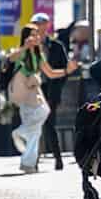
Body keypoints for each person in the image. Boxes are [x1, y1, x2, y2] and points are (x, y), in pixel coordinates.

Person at [7, 24, 79, 172]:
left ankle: (28, 163)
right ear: (26, 37)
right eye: (32, 35)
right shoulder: (23, 52)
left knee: (37, 129)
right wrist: (24, 48)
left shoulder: (39, 53)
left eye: (37, 34)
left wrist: (66, 71)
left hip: (34, 91)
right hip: (24, 91)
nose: (36, 37)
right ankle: (21, 135)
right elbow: (11, 58)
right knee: (40, 119)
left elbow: (51, 73)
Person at [28, 12, 71, 170]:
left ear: (47, 26)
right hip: (35, 90)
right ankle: (33, 160)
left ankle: (57, 158)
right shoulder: (30, 47)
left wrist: (57, 87)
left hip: (51, 90)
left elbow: (64, 69)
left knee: (49, 125)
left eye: (41, 24)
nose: (38, 28)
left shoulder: (56, 46)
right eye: (35, 24)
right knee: (34, 125)